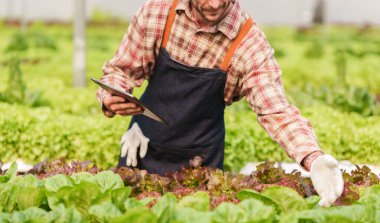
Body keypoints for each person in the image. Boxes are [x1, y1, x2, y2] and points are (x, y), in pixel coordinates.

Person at [96, 0, 343, 206]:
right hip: (143, 149)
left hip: (200, 163)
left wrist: (313, 157)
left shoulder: (248, 42)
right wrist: (112, 95)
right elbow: (121, 71)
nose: (215, 4)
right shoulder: (158, 12)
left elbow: (275, 109)